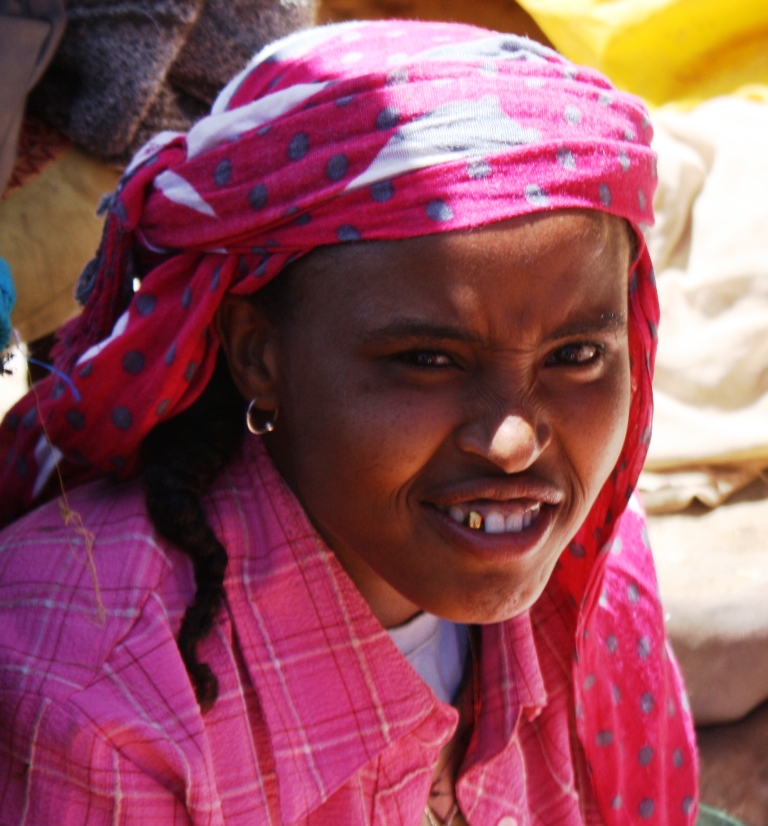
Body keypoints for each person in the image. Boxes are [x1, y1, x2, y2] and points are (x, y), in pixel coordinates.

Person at [0, 19, 697, 826]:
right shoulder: (97, 700)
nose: (513, 443)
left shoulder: (594, 579)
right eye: (428, 360)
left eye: (576, 356)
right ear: (258, 355)